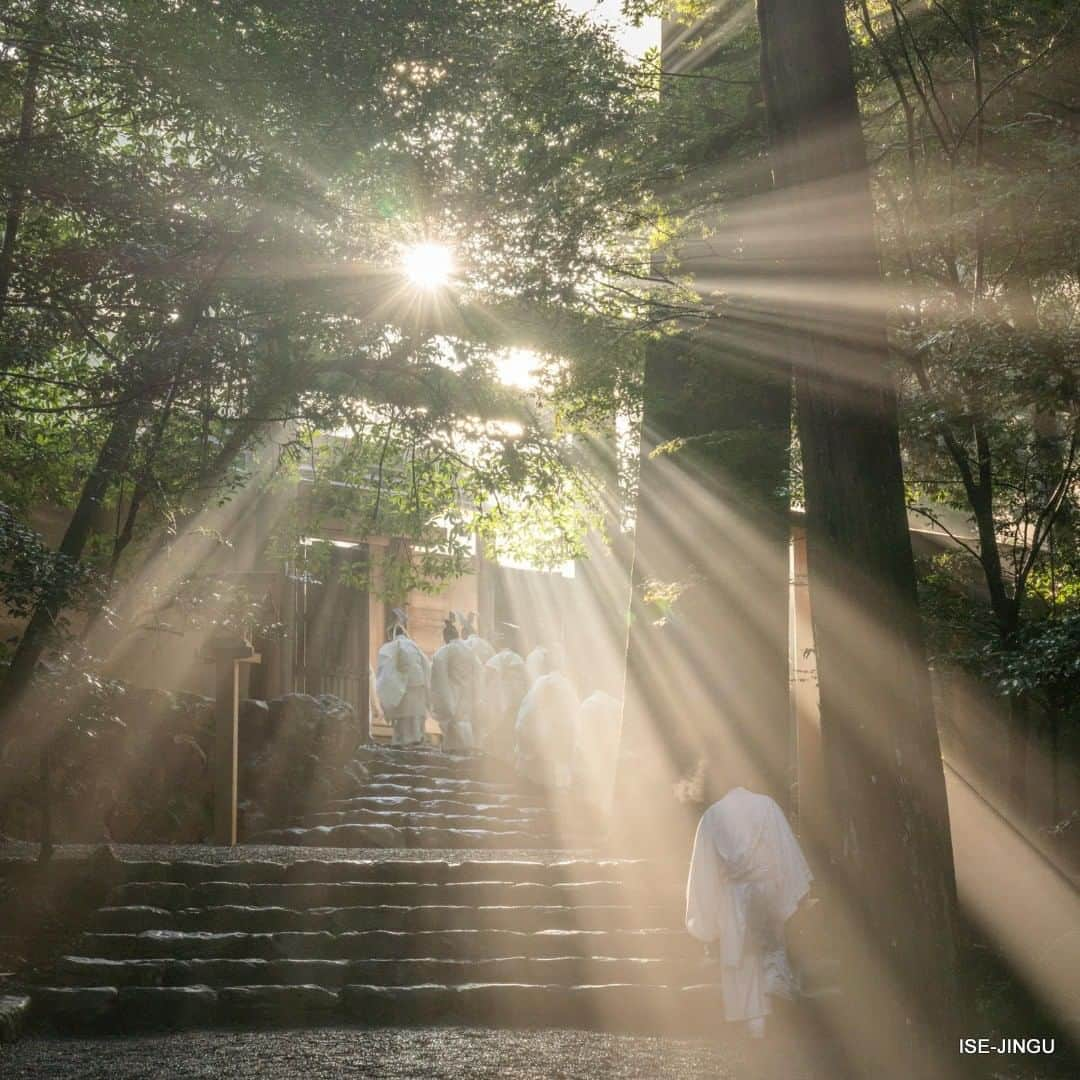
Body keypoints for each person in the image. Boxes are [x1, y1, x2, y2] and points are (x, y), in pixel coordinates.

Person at [685, 784, 813, 1039]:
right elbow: (784, 851)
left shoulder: (713, 815)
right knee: (767, 952)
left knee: (741, 962)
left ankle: (752, 1027)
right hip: (765, 893)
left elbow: (704, 870)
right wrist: (793, 891)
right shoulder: (767, 807)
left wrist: (707, 916)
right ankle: (777, 1026)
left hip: (733, 898)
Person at [514, 668, 579, 788]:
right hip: (554, 732)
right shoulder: (566, 686)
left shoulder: (543, 683)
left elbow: (525, 717)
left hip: (547, 732)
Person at [430, 616, 484, 753]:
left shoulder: (447, 650)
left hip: (452, 690)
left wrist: (439, 693)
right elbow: (478, 670)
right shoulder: (469, 650)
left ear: (446, 636)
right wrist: (476, 690)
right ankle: (464, 748)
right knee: (464, 718)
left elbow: (438, 666)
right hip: (467, 691)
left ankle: (458, 748)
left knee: (453, 720)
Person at [375, 622, 431, 747]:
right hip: (419, 688)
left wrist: (393, 686)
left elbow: (384, 670)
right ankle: (418, 741)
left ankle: (403, 745)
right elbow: (427, 666)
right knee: (416, 722)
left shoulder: (391, 646)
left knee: (403, 724)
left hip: (404, 691)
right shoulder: (415, 646)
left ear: (391, 635)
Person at [572, 691, 622, 814]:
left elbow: (579, 735)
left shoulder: (587, 705)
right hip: (608, 757)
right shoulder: (617, 706)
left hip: (590, 757)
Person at [483, 648, 528, 759]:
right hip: (515, 699)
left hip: (504, 699)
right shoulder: (519, 661)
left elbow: (487, 677)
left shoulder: (496, 661)